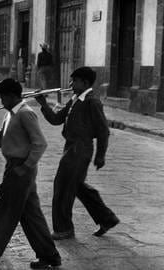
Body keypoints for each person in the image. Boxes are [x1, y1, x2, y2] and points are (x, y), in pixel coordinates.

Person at [0, 78, 61, 269]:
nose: (0, 101)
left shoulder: (26, 113)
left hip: (20, 170)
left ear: (11, 96)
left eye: (2, 97)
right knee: (32, 216)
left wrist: (25, 167)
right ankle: (50, 257)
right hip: (15, 168)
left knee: (2, 215)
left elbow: (40, 143)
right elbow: (1, 141)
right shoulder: (10, 114)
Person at [34, 66, 119, 240]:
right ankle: (107, 219)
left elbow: (103, 130)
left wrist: (100, 155)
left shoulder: (92, 101)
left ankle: (64, 228)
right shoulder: (75, 99)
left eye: (74, 81)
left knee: (63, 187)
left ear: (85, 83)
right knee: (78, 187)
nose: (71, 84)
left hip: (81, 150)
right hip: (71, 147)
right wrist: (43, 104)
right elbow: (57, 120)